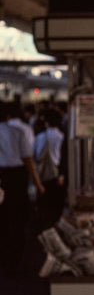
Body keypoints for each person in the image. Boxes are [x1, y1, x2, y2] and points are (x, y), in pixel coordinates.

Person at [0, 101, 45, 275]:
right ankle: (15, 257)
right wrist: (38, 183)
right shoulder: (17, 132)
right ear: (9, 116)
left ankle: (2, 256)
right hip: (16, 177)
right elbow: (28, 160)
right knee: (17, 216)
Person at [33, 107, 65, 229]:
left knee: (44, 203)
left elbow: (34, 154)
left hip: (43, 175)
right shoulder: (61, 136)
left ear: (46, 122)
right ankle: (55, 227)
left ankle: (43, 228)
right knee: (55, 204)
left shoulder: (40, 137)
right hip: (57, 174)